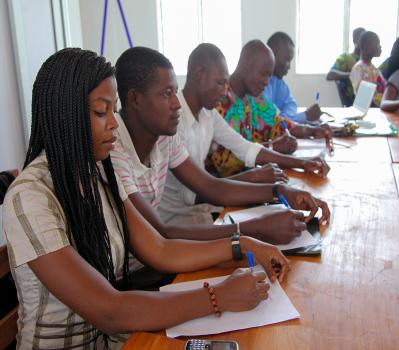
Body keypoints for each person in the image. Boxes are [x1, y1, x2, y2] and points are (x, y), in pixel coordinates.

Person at [2, 48, 292, 349]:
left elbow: (161, 249)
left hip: (117, 340)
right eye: (102, 111)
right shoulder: (31, 196)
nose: (114, 122)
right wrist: (219, 296)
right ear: (65, 115)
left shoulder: (98, 173)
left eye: (114, 110)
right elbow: (108, 311)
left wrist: (241, 244)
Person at [111, 46, 330, 236]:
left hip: (186, 225)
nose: (176, 103)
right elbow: (166, 228)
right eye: (167, 93)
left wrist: (279, 190)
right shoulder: (119, 149)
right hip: (176, 228)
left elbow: (213, 184)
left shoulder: (167, 136)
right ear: (134, 99)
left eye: (175, 92)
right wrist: (254, 225)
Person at [211, 40, 332, 178]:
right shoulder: (218, 100)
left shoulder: (253, 99)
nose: (267, 82)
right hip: (222, 190)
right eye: (263, 74)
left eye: (269, 75)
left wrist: (312, 130)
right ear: (247, 63)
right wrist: (272, 147)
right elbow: (226, 164)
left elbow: (278, 124)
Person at [263, 32, 321, 124]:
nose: (289, 67)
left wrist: (286, 118)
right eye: (287, 60)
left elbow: (291, 104)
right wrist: (304, 116)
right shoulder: (259, 84)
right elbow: (271, 123)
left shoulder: (277, 81)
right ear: (272, 53)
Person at [326, 27, 365, 106]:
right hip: (352, 103)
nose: (365, 43)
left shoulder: (367, 62)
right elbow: (330, 75)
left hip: (367, 102)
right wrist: (352, 74)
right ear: (354, 40)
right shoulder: (345, 58)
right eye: (362, 39)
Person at [350, 31, 386, 106]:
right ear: (367, 46)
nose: (380, 47)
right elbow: (362, 99)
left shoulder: (374, 69)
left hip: (379, 108)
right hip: (369, 111)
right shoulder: (358, 68)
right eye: (377, 44)